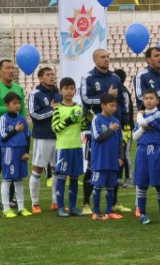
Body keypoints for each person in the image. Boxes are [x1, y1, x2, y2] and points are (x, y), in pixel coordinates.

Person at [81, 50, 124, 214]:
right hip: (93, 126)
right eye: (102, 57)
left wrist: (123, 120)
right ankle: (86, 203)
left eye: (108, 57)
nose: (106, 60)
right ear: (94, 60)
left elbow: (119, 100)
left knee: (115, 165)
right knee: (92, 166)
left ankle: (113, 203)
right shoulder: (88, 77)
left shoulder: (115, 78)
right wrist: (105, 96)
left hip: (114, 126)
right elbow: (85, 99)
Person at [135, 47, 160, 211]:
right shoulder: (142, 76)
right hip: (148, 124)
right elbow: (140, 97)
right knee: (142, 168)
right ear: (148, 59)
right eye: (156, 56)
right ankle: (139, 205)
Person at [0, 59, 25, 209]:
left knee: (14, 162)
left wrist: (21, 123)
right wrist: (11, 109)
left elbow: (21, 112)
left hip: (17, 131)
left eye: (13, 68)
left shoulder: (18, 88)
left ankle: (10, 198)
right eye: (8, 68)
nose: (11, 71)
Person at [26, 67, 60, 214]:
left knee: (57, 170)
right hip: (43, 136)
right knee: (38, 168)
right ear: (40, 78)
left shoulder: (58, 93)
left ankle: (56, 202)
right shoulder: (35, 94)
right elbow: (34, 115)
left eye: (53, 74)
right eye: (48, 75)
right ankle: (35, 203)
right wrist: (51, 109)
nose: (51, 77)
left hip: (59, 136)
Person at [132, 89, 160, 225]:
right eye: (146, 98)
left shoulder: (158, 114)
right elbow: (135, 136)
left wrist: (140, 117)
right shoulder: (143, 117)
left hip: (156, 151)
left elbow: (141, 123)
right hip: (141, 151)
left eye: (151, 98)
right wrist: (144, 126)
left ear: (157, 100)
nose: (148, 100)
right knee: (141, 184)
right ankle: (142, 214)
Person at [51, 78, 85, 216]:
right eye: (66, 89)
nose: (69, 91)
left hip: (77, 146)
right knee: (62, 177)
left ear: (75, 90)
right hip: (63, 148)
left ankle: (72, 207)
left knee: (75, 178)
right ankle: (60, 207)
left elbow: (82, 126)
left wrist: (87, 119)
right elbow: (55, 128)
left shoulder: (79, 108)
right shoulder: (58, 108)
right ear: (60, 91)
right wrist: (69, 120)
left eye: (72, 88)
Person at [89, 93, 123, 221]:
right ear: (103, 105)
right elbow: (98, 137)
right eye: (111, 105)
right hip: (100, 160)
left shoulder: (116, 121)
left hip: (112, 160)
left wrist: (120, 157)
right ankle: (96, 212)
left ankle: (109, 211)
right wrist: (110, 129)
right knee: (98, 186)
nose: (114, 108)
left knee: (111, 187)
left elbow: (120, 141)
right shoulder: (97, 119)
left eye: (115, 106)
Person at [0, 92, 32, 217]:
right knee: (7, 179)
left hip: (20, 152)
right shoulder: (3, 119)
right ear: (7, 105)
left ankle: (21, 207)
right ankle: (6, 208)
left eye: (18, 103)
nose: (17, 106)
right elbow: (2, 136)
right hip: (9, 151)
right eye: (14, 103)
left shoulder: (22, 118)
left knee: (19, 180)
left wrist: (26, 152)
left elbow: (27, 136)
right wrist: (15, 129)